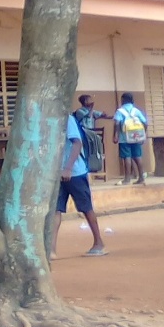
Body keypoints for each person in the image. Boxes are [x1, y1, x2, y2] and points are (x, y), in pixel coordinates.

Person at [51, 110, 106, 258]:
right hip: (56, 173)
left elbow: (77, 142)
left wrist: (68, 168)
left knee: (86, 208)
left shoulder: (67, 119)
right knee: (56, 210)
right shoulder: (49, 119)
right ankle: (52, 249)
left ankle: (98, 242)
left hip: (75, 172)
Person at [113, 92, 148, 186]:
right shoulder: (136, 111)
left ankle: (127, 179)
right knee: (137, 156)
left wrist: (115, 135)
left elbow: (116, 123)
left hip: (124, 138)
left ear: (123, 100)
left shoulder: (120, 111)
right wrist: (143, 134)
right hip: (136, 136)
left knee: (126, 157)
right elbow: (145, 122)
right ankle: (141, 177)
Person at [72, 94, 107, 170]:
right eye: (89, 100)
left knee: (97, 142)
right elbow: (89, 115)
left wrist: (104, 114)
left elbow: (101, 115)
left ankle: (98, 158)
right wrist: (92, 107)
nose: (91, 101)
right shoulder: (79, 111)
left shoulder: (92, 111)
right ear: (84, 101)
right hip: (84, 134)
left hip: (92, 135)